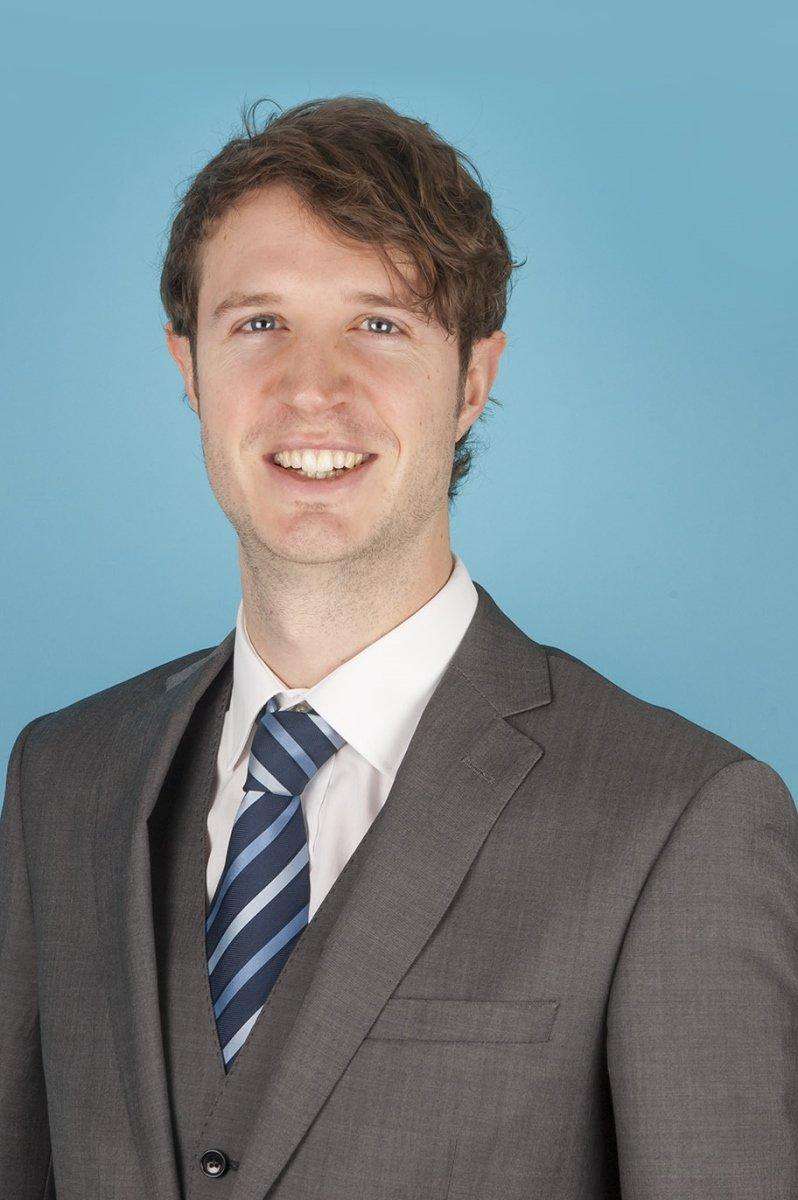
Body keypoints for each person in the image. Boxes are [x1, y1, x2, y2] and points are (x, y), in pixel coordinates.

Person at [2, 94, 796, 1200]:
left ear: (472, 379)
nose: (310, 388)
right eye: (259, 323)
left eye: (379, 325)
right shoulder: (62, 778)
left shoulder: (679, 819)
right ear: (188, 367)